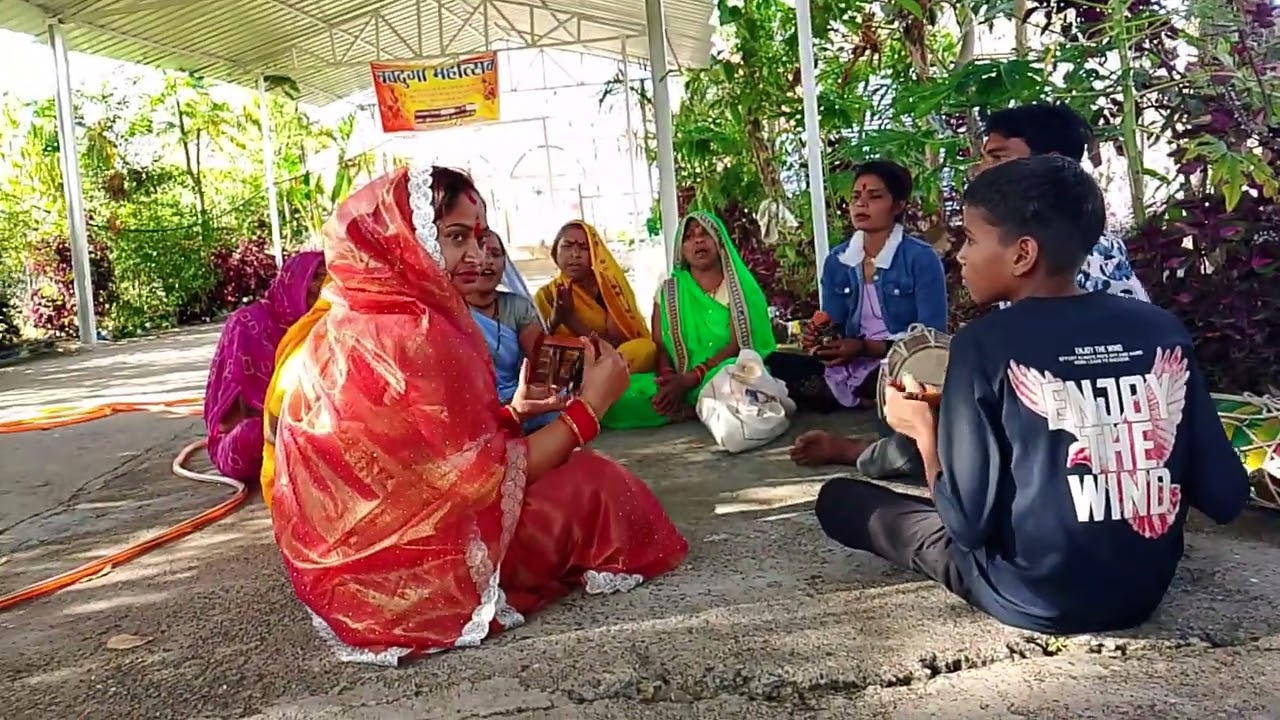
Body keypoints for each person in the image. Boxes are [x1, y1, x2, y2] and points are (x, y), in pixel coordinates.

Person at [268, 165, 688, 662]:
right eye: (455, 237)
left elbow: (424, 463)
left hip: (351, 580)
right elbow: (481, 480)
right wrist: (590, 409)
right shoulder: (419, 331)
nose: (475, 255)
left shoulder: (344, 324)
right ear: (404, 241)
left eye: (480, 237)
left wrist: (513, 413)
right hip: (424, 582)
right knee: (596, 482)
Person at [814, 155, 1249, 634]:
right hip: (1143, 592)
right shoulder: (1160, 330)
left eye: (971, 239)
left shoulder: (984, 344)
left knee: (841, 500)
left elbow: (967, 526)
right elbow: (1226, 496)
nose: (960, 256)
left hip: (1030, 594)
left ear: (1023, 254)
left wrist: (923, 432)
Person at [788, 160, 947, 475]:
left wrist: (865, 348)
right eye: (856, 196)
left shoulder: (920, 258)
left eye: (874, 196)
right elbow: (833, 319)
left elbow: (932, 335)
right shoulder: (838, 260)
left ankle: (867, 424)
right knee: (777, 366)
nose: (861, 204)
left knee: (900, 386)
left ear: (898, 206)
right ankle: (860, 398)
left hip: (898, 361)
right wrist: (820, 335)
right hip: (851, 359)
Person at [604, 211, 777, 430]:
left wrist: (691, 379)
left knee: (734, 379)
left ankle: (694, 405)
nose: (698, 240)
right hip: (678, 378)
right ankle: (686, 404)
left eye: (705, 234)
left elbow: (736, 347)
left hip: (722, 373)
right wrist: (668, 381)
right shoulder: (668, 292)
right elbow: (660, 346)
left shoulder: (741, 290)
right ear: (682, 249)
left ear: (720, 241)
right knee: (616, 397)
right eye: (689, 236)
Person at [980, 103, 1150, 302]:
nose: (983, 171)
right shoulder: (1038, 241)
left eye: (998, 157)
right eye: (985, 159)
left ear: (1052, 163)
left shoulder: (1078, 254)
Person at [202, 250, 324, 482]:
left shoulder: (321, 325)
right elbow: (230, 421)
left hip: (300, 426)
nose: (320, 286)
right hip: (257, 433)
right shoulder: (247, 323)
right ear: (293, 279)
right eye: (314, 276)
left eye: (326, 278)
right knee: (254, 435)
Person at [460, 229, 556, 432]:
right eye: (480, 252)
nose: (487, 261)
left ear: (504, 264)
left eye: (495, 254)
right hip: (470, 406)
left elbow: (541, 361)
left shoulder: (517, 307)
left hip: (516, 398)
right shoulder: (449, 309)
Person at [533, 221, 658, 373]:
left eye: (584, 248)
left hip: (609, 358)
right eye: (567, 246)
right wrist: (555, 320)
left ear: (594, 253)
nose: (575, 254)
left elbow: (614, 345)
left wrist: (570, 319)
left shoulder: (609, 288)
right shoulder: (545, 295)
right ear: (555, 252)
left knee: (645, 348)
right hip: (573, 366)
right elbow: (537, 347)